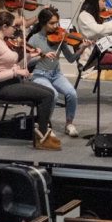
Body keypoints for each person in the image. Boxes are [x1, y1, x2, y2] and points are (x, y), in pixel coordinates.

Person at [0, 11, 60, 150]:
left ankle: (43, 134)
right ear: (4, 26)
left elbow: (14, 65)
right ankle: (42, 137)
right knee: (47, 96)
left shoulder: (2, 41)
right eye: (13, 26)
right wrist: (16, 72)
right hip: (2, 88)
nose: (15, 29)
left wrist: (29, 56)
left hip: (12, 82)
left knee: (50, 92)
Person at [26, 8, 89, 137]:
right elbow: (26, 62)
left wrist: (82, 48)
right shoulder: (34, 39)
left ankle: (69, 124)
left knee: (71, 93)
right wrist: (42, 56)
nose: (56, 26)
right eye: (52, 23)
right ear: (43, 23)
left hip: (56, 74)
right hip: (40, 75)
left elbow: (71, 59)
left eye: (56, 23)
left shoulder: (60, 37)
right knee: (53, 94)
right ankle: (45, 125)